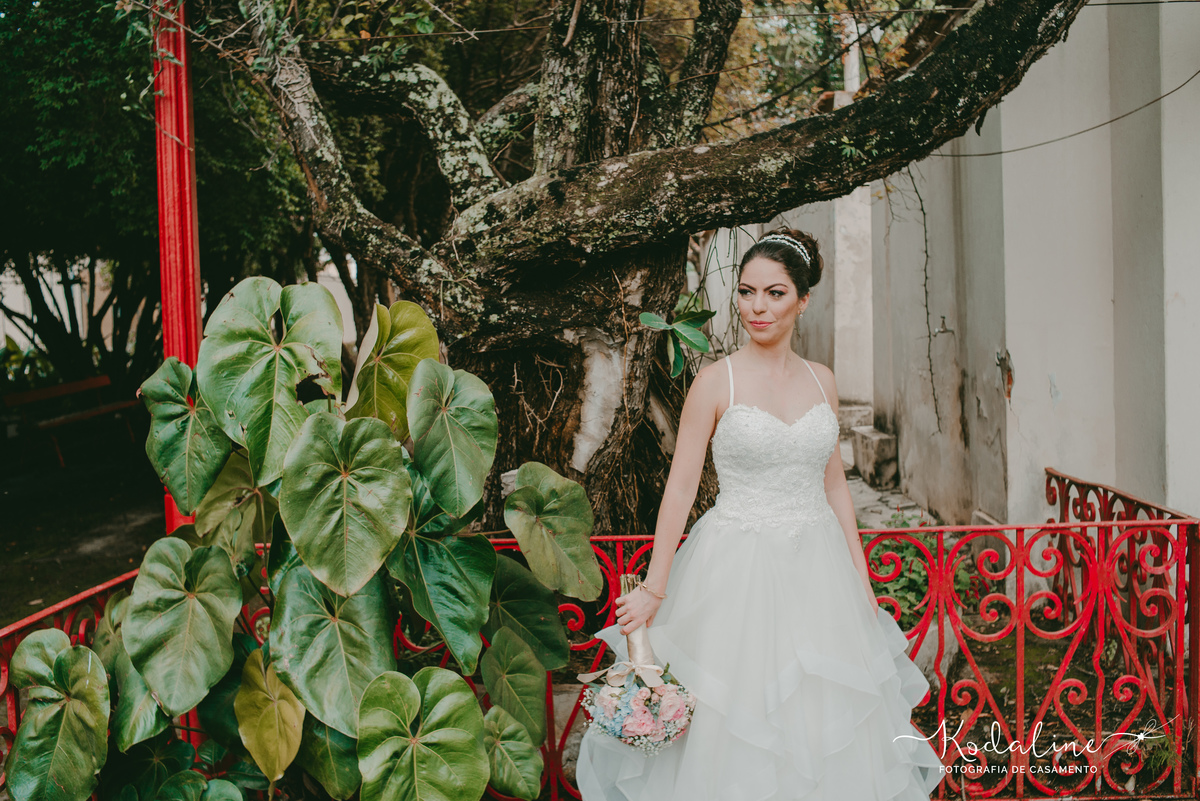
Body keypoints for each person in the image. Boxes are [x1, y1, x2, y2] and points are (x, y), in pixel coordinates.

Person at [575, 229, 946, 800]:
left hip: (817, 572)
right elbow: (680, 488)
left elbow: (836, 486)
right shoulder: (714, 380)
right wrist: (655, 585)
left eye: (775, 293)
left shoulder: (822, 380)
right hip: (736, 569)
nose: (757, 307)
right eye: (747, 292)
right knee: (737, 722)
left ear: (802, 299)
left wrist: (859, 578)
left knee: (824, 721)